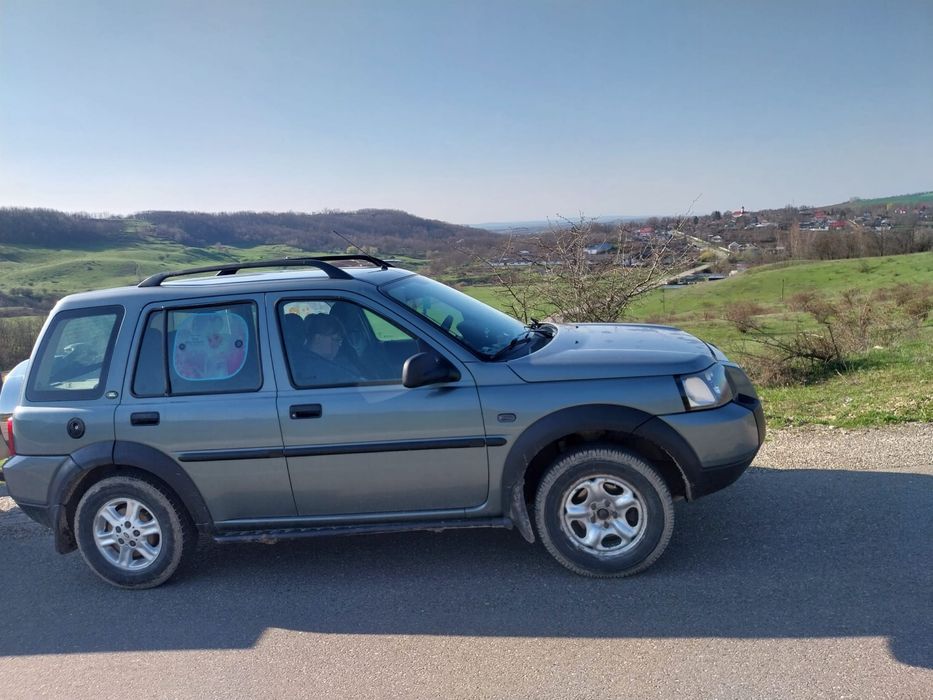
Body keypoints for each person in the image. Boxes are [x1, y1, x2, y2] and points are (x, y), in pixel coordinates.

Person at [292, 313, 363, 387]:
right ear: (318, 339)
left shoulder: (329, 361)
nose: (339, 345)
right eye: (335, 339)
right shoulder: (308, 367)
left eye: (340, 341)